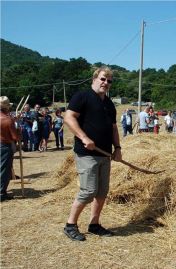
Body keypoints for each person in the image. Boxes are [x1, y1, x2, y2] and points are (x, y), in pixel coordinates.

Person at [63, 66, 122, 241]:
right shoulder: (82, 96)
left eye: (109, 81)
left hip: (105, 154)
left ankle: (94, 224)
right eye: (103, 79)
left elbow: (113, 128)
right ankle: (70, 225)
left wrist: (117, 148)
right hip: (87, 153)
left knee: (102, 192)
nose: (106, 83)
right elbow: (69, 117)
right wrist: (83, 137)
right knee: (88, 191)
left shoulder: (109, 104)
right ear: (94, 78)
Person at [1, 96, 19, 202]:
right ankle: (1, 193)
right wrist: (18, 130)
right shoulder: (8, 119)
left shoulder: (8, 119)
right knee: (4, 169)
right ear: (6, 108)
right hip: (4, 146)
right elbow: (15, 137)